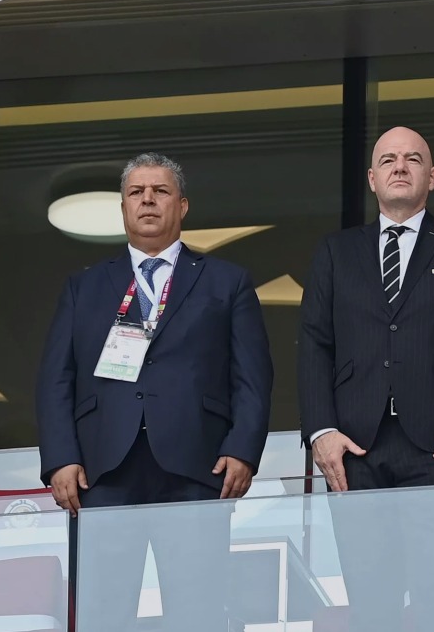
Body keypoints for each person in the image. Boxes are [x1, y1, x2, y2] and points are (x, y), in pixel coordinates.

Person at [37, 153, 273, 631]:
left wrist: (243, 451)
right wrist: (60, 457)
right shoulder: (84, 287)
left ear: (182, 206)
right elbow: (55, 377)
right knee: (104, 614)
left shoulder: (227, 282)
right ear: (123, 209)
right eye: (136, 192)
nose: (148, 200)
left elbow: (253, 376)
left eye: (160, 191)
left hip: (196, 468)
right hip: (102, 473)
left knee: (197, 613)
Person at [298, 126, 434, 631]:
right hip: (354, 448)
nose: (399, 166)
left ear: (431, 177)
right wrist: (321, 431)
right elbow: (313, 346)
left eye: (412, 159)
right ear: (371, 178)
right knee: (370, 600)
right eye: (388, 159)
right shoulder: (335, 251)